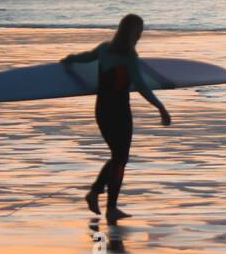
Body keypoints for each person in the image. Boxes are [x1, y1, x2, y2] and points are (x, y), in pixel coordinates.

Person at [61, 14, 170, 222]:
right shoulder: (129, 57)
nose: (141, 34)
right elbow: (140, 85)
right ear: (132, 33)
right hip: (119, 111)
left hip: (102, 109)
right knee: (120, 158)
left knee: (118, 158)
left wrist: (70, 59)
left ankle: (101, 199)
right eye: (140, 30)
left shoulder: (104, 49)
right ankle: (102, 199)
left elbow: (86, 57)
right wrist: (160, 107)